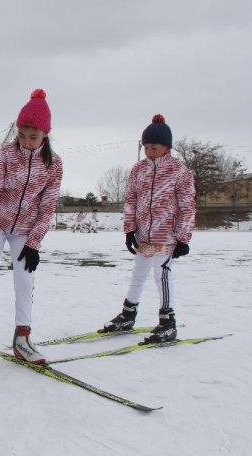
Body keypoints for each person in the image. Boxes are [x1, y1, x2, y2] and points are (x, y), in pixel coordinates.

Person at [0, 89, 63, 364]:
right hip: (0, 226)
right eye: (22, 136)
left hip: (26, 231)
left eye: (34, 137)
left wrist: (34, 244)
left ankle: (22, 338)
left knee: (25, 279)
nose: (27, 142)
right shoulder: (6, 155)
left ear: (45, 135)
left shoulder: (53, 164)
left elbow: (48, 206)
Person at [99, 114, 195, 344]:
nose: (149, 151)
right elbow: (131, 200)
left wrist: (183, 237)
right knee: (138, 273)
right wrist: (129, 230)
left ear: (166, 147)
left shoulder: (179, 171)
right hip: (144, 236)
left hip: (167, 237)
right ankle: (128, 314)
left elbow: (187, 205)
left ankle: (168, 322)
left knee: (161, 274)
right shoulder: (138, 170)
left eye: (154, 147)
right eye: (145, 147)